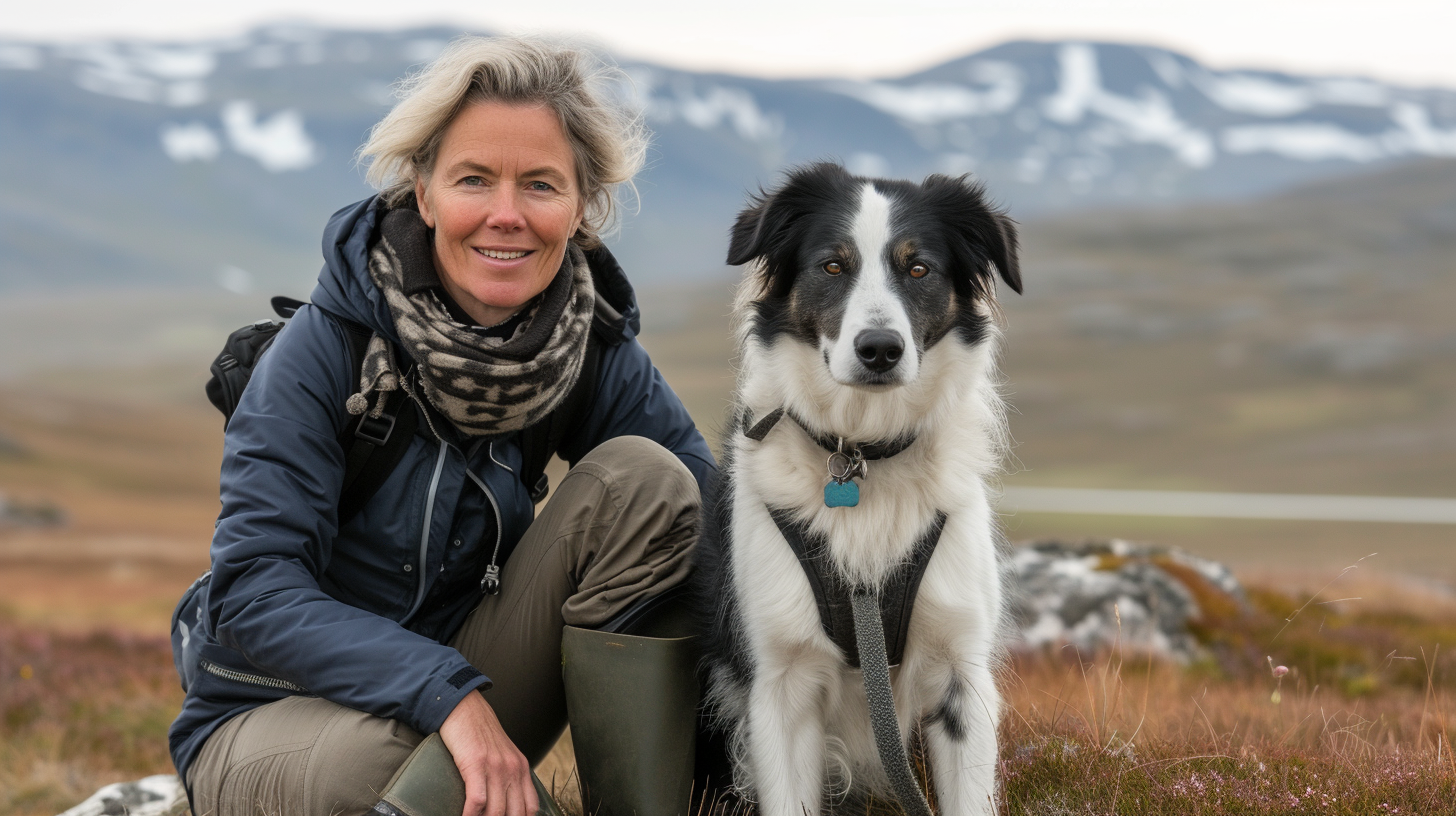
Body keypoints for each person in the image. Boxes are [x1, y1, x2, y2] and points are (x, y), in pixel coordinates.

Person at [168, 35, 715, 816]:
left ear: (582, 207)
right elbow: (254, 593)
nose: (506, 215)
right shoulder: (327, 350)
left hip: (468, 694)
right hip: (272, 715)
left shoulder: (584, 347)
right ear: (422, 193)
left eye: (540, 184)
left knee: (650, 483)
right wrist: (443, 694)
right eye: (473, 179)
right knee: (403, 774)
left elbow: (716, 518)